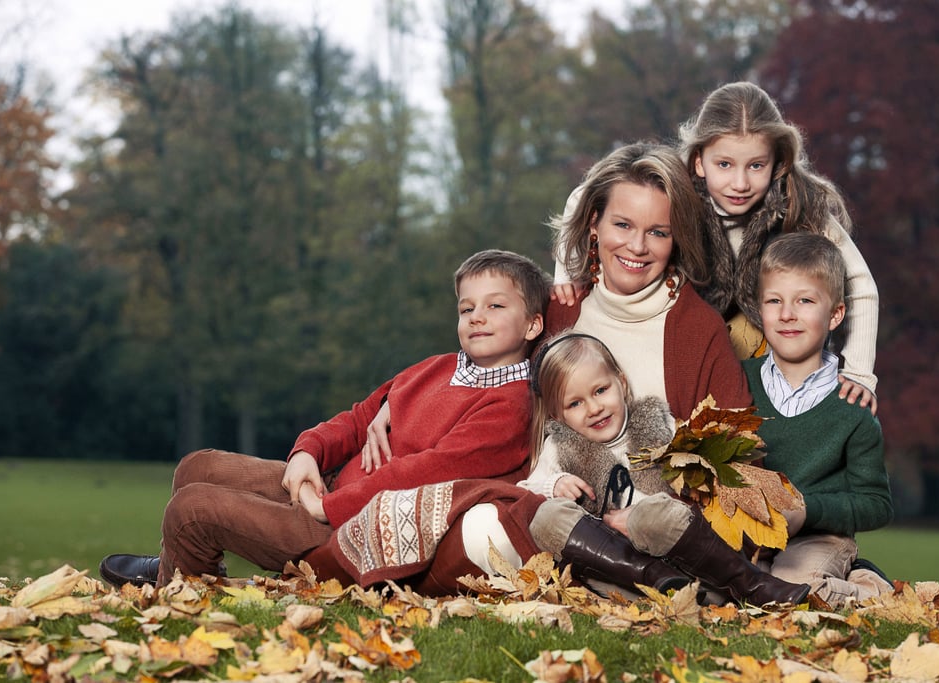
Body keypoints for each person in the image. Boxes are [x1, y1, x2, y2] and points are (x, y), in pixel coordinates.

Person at [359, 142, 807, 605]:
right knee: (487, 529)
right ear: (594, 225)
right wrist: (390, 404)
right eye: (622, 225)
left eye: (657, 232)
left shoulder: (697, 328)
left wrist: (658, 514)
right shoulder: (558, 312)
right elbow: (479, 363)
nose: (637, 246)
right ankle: (644, 584)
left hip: (661, 518)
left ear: (677, 239)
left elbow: (736, 451)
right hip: (562, 518)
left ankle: (683, 582)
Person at [98, 249, 551, 588]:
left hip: (348, 527)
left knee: (191, 508)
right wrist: (306, 453)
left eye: (495, 306)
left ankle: (181, 592)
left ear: (532, 326)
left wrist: (327, 508)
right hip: (331, 487)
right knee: (196, 466)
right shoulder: (434, 369)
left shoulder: (511, 405)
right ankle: (190, 568)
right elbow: (357, 420)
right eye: (466, 308)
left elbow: (426, 473)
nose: (477, 317)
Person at [553, 82, 880, 414]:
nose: (739, 183)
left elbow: (860, 285)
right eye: (724, 164)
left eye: (756, 166)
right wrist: (565, 271)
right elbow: (584, 196)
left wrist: (858, 372)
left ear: (777, 163)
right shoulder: (682, 187)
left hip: (773, 351)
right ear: (698, 161)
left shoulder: (800, 204)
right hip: (700, 342)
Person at [522, 331, 809, 606]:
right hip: (619, 575)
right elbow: (527, 492)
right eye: (575, 403)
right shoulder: (561, 446)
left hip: (680, 559)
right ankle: (660, 583)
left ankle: (750, 583)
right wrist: (554, 483)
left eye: (600, 390)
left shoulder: (658, 424)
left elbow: (697, 478)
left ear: (621, 384)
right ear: (557, 415)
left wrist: (639, 519)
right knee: (545, 516)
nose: (594, 407)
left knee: (653, 515)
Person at [743, 232, 893, 607]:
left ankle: (872, 589)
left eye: (805, 301)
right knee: (737, 587)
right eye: (774, 301)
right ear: (759, 309)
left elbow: (876, 504)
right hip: (752, 532)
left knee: (793, 589)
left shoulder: (852, 407)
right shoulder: (738, 381)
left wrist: (809, 510)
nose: (787, 314)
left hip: (819, 536)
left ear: (835, 314)